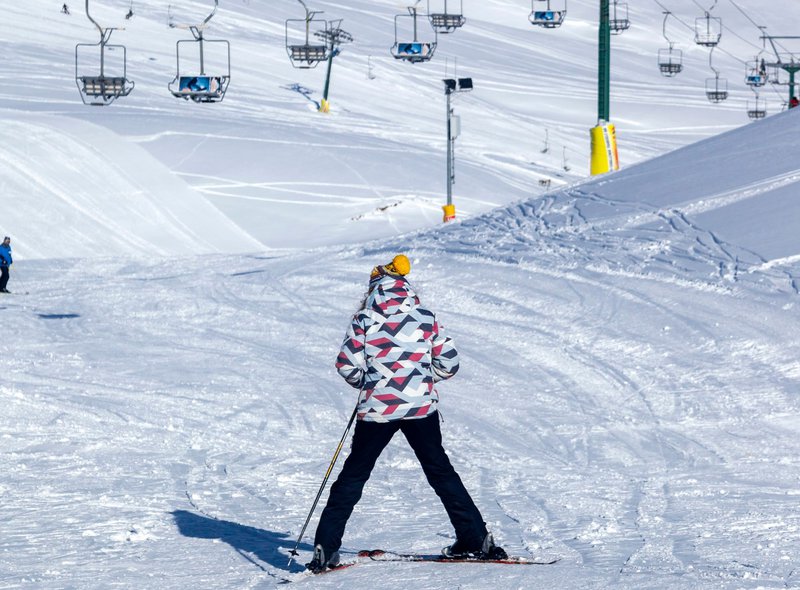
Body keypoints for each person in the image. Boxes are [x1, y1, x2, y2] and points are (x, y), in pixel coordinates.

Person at [306, 255, 507, 573]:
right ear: (405, 287)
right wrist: (421, 380)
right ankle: (474, 539)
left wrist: (369, 383)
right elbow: (449, 363)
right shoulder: (426, 317)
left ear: (374, 287)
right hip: (420, 407)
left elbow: (346, 364)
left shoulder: (365, 319)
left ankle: (325, 549)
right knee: (441, 472)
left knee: (353, 476)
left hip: (377, 408)